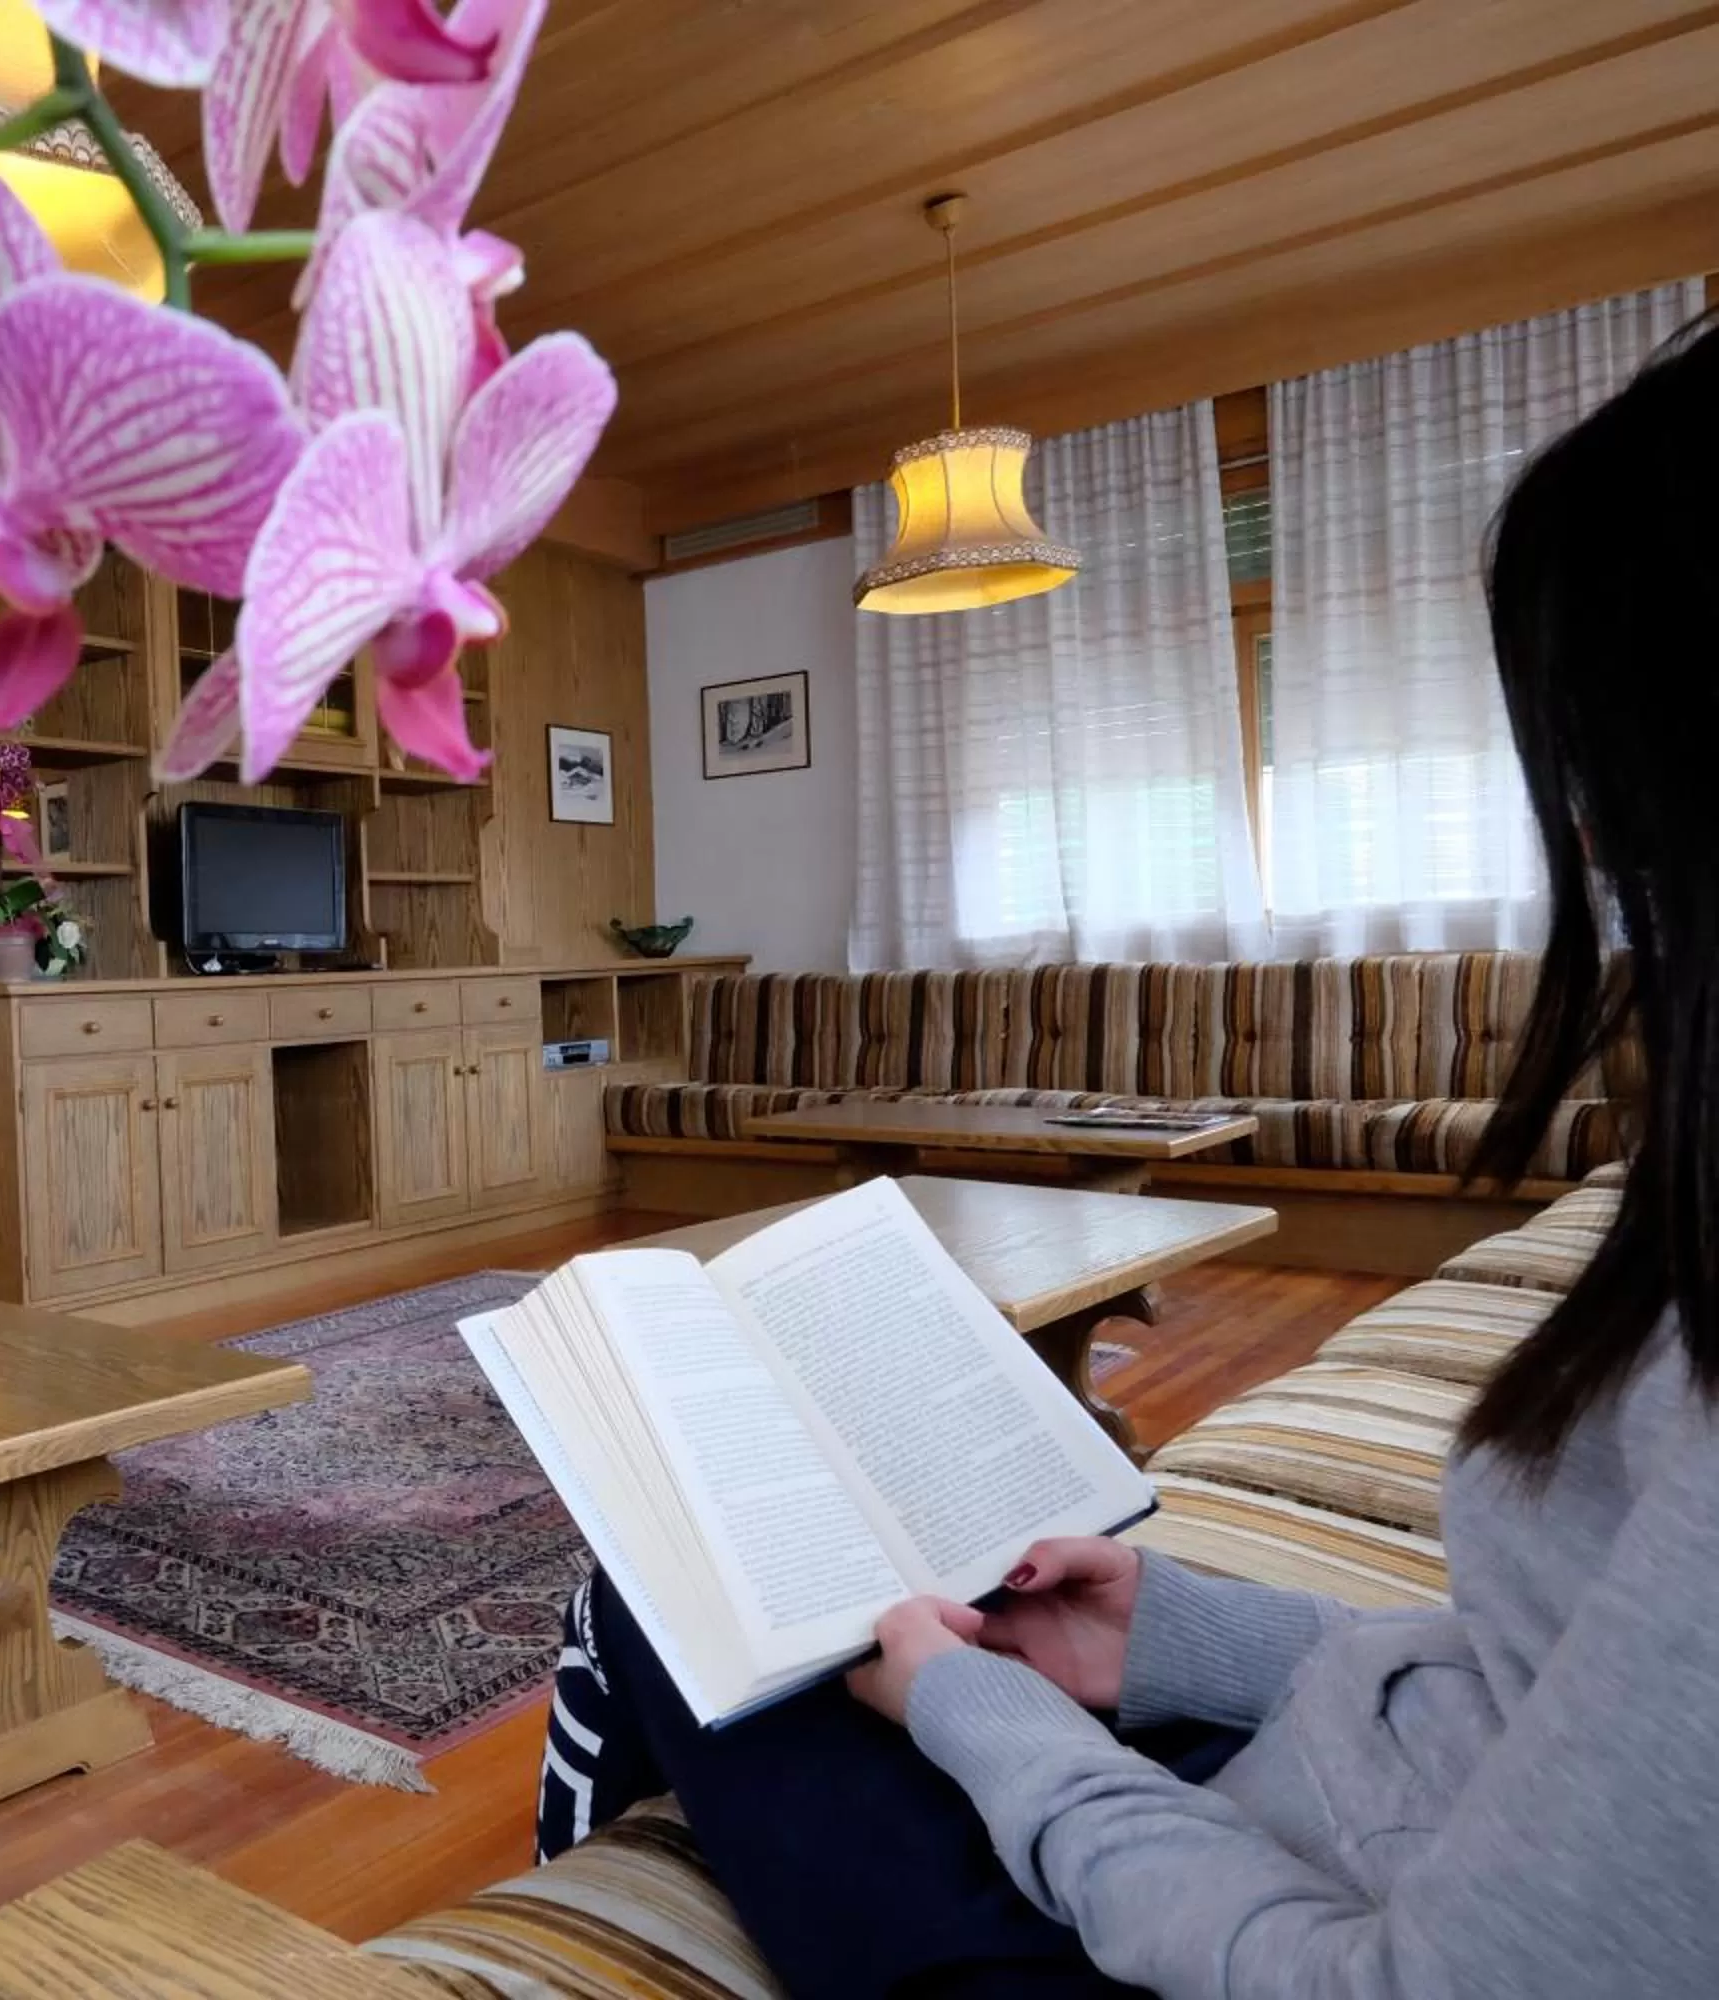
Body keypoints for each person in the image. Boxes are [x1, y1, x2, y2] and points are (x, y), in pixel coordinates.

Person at [537, 312, 1719, 1998]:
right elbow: (1555, 1688)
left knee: (675, 1570)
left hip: (1256, 1927)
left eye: (1605, 783)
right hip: (1335, 1813)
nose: (1587, 840)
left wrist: (982, 1711)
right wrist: (1173, 1635)